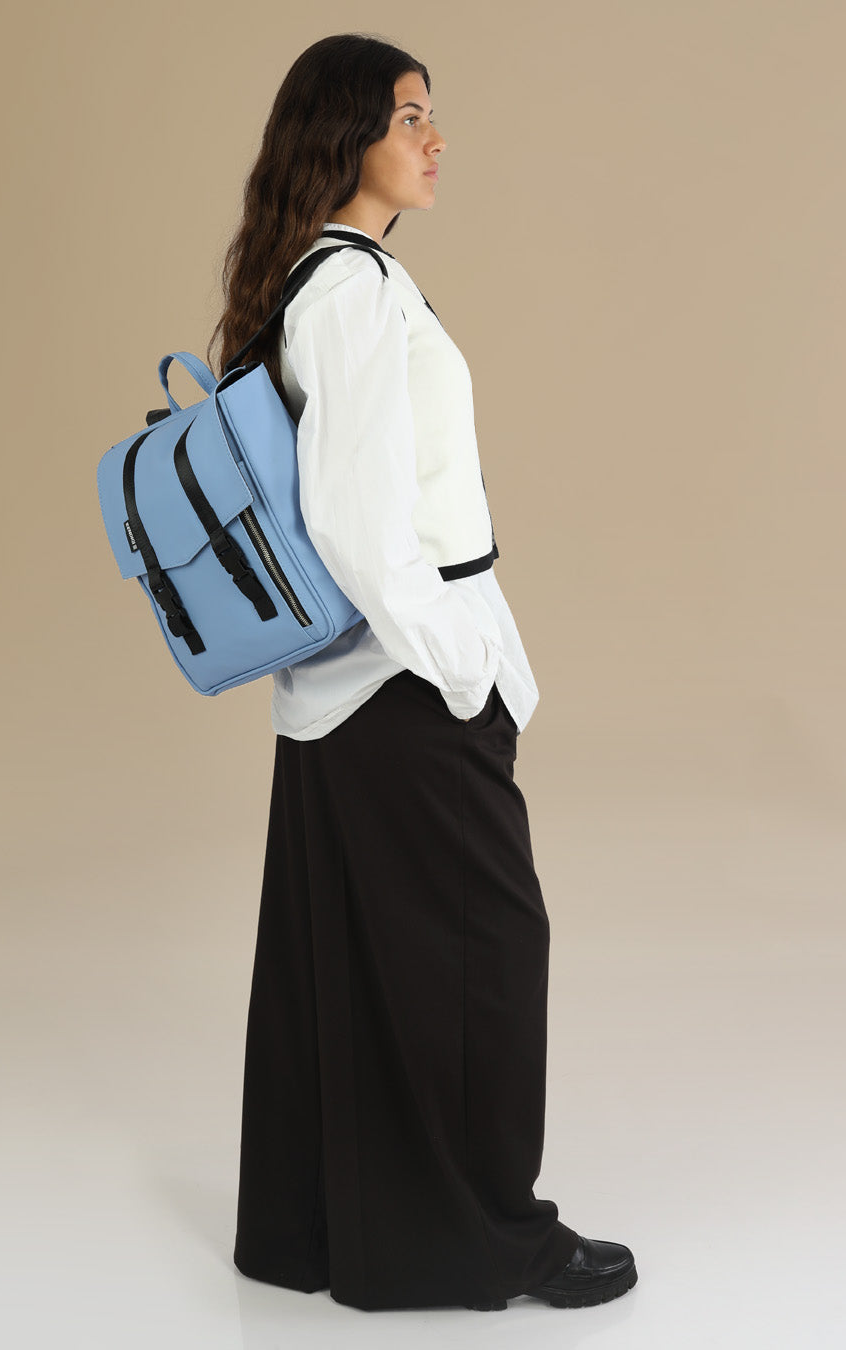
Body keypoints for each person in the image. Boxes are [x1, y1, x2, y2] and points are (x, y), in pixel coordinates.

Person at [206, 32, 639, 1313]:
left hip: (340, 693)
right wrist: (462, 665)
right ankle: (494, 1235)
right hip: (401, 688)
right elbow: (354, 521)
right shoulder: (350, 292)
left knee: (348, 959)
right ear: (347, 136)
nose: (436, 138)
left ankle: (314, 1234)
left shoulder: (322, 279)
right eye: (410, 117)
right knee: (484, 952)